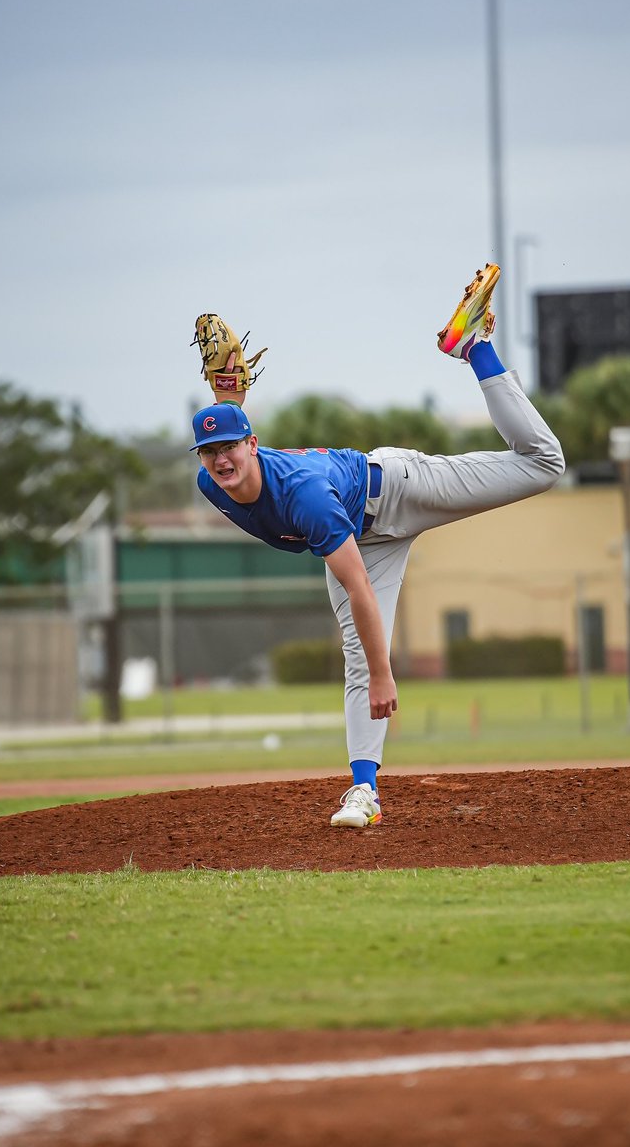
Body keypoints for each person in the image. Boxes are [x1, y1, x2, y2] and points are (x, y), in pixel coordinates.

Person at [190, 265, 565, 828]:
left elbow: (357, 585)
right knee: (357, 659)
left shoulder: (306, 499)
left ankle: (474, 346)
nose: (220, 459)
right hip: (358, 536)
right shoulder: (210, 483)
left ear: (253, 443)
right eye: (209, 449)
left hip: (396, 491)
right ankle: (364, 793)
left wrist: (386, 672)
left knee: (543, 464)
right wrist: (228, 398)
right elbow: (231, 444)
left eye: (230, 446)